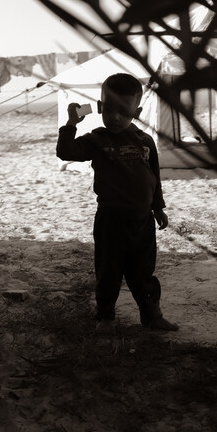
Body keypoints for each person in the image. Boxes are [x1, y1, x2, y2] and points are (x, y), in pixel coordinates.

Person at [56, 72, 179, 334]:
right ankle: (105, 318)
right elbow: (66, 152)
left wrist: (158, 208)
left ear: (137, 111)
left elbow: (153, 176)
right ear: (100, 107)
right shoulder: (97, 140)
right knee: (109, 272)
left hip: (142, 221)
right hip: (111, 221)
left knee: (144, 274)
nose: (114, 117)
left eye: (123, 111)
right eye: (108, 109)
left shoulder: (145, 141)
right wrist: (71, 124)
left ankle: (151, 316)